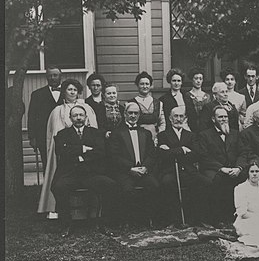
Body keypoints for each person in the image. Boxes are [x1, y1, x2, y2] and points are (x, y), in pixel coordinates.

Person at [50, 105, 119, 237]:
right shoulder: (62, 134)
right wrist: (82, 148)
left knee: (111, 185)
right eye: (75, 115)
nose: (78, 118)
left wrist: (80, 157)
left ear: (86, 117)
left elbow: (100, 152)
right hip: (71, 174)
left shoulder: (96, 133)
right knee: (58, 187)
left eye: (81, 115)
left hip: (91, 173)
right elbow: (62, 152)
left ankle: (104, 222)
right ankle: (66, 224)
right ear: (70, 118)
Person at [38, 78, 98, 217]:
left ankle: (90, 210)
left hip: (87, 158)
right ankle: (57, 210)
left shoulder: (87, 108)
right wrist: (77, 148)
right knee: (60, 181)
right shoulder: (57, 111)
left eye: (75, 90)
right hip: (66, 157)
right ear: (64, 92)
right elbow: (56, 136)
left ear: (78, 92)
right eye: (69, 89)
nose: (72, 92)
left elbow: (92, 132)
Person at [108, 102, 165, 227]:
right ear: (125, 114)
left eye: (136, 113)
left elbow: (152, 154)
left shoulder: (145, 133)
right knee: (127, 190)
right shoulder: (117, 133)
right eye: (130, 113)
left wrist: (145, 167)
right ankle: (129, 221)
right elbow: (114, 156)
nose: (133, 116)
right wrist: (130, 168)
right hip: (126, 171)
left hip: (143, 170)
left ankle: (149, 219)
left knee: (155, 186)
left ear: (139, 115)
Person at [157, 106, 214, 226]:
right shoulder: (163, 135)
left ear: (185, 118)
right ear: (170, 118)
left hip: (189, 171)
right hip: (170, 171)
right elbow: (162, 155)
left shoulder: (191, 135)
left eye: (181, 116)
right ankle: (173, 220)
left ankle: (199, 219)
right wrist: (181, 149)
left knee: (206, 183)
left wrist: (172, 151)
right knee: (167, 183)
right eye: (175, 116)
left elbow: (197, 155)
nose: (178, 119)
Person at [198, 105, 244, 225]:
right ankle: (218, 219)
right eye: (220, 117)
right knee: (216, 180)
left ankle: (241, 216)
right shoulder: (204, 135)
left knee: (247, 176)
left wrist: (238, 168)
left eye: (225, 117)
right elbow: (204, 157)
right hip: (214, 168)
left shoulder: (235, 134)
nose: (224, 119)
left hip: (234, 168)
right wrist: (221, 168)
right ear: (213, 119)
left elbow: (243, 152)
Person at [27, 65, 63, 170]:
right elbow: (32, 117)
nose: (52, 78)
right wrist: (32, 137)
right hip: (43, 136)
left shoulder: (68, 93)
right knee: (47, 163)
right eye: (50, 75)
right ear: (46, 77)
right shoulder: (37, 94)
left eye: (55, 75)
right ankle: (48, 186)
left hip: (65, 134)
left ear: (61, 76)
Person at [131, 71, 166, 145]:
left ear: (150, 85)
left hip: (155, 137)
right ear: (137, 85)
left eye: (147, 84)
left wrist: (158, 135)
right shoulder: (131, 103)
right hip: (138, 137)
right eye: (142, 84)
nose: (144, 86)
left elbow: (162, 123)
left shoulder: (158, 103)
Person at [159, 68, 198, 132]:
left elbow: (192, 117)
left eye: (179, 81)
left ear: (182, 82)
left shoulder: (187, 97)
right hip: (171, 131)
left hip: (187, 130)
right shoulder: (164, 99)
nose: (176, 83)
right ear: (170, 82)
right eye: (174, 81)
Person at [187, 67, 212, 132]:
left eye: (200, 79)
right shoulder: (187, 95)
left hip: (206, 128)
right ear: (192, 79)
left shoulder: (207, 96)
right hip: (192, 127)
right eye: (196, 78)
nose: (198, 81)